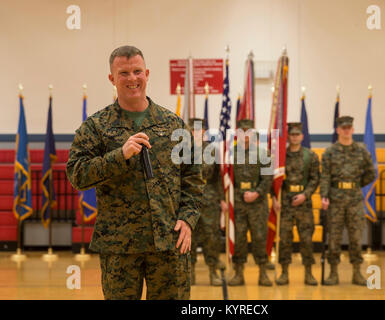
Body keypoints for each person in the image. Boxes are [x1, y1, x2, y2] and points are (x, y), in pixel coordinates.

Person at [66, 45, 204, 299]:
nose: (132, 79)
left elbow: (193, 177)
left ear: (147, 73)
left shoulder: (172, 123)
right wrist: (120, 156)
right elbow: (77, 174)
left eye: (137, 71)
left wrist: (188, 218)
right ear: (112, 78)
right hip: (119, 247)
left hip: (168, 243)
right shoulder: (96, 127)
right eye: (124, 73)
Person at [320, 116, 376, 286]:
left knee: (356, 237)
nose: (346, 130)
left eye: (348, 127)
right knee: (334, 238)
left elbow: (371, 173)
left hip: (354, 200)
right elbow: (325, 176)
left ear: (352, 130)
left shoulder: (361, 151)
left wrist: (355, 185)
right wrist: (324, 195)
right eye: (343, 127)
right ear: (338, 130)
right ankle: (333, 273)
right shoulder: (330, 152)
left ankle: (357, 273)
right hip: (335, 199)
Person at [272, 122, 320, 285]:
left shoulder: (310, 156)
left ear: (302, 136)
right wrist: (274, 198)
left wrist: (305, 195)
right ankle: (284, 272)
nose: (294, 137)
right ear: (288, 136)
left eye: (297, 134)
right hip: (285, 202)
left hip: (303, 203)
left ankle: (309, 273)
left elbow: (315, 179)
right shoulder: (281, 156)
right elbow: (274, 180)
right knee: (285, 238)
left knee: (306, 239)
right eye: (291, 134)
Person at [228, 119, 273, 287]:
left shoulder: (264, 153)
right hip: (237, 202)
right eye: (242, 132)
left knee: (260, 237)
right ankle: (239, 273)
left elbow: (268, 178)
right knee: (239, 238)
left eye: (248, 132)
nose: (245, 135)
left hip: (258, 203)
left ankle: (263, 273)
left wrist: (257, 193)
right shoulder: (230, 153)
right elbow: (225, 178)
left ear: (253, 134)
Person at [188, 118, 226, 286]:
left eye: (199, 129)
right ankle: (190, 273)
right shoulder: (182, 151)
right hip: (189, 199)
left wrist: (222, 200)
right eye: (193, 130)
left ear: (204, 131)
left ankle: (213, 272)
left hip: (210, 199)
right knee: (190, 237)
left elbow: (218, 177)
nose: (197, 132)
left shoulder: (212, 150)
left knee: (212, 237)